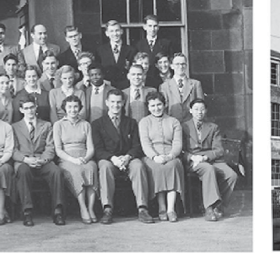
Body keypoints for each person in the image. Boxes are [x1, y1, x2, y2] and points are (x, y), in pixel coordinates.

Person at [92, 89, 153, 224]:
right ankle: (107, 208)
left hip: (128, 158)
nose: (116, 105)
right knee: (104, 167)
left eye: (119, 102)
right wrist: (113, 158)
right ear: (107, 103)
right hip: (110, 159)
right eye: (112, 102)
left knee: (138, 166)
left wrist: (127, 157)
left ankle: (142, 208)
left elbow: (137, 146)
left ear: (124, 103)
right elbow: (98, 149)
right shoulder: (97, 124)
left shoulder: (131, 122)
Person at [12, 96, 66, 226]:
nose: (30, 111)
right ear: (21, 110)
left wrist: (42, 160)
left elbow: (50, 146)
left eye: (32, 107)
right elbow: (13, 150)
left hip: (42, 160)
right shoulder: (14, 127)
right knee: (23, 171)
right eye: (26, 108)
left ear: (36, 107)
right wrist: (26, 159)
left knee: (56, 172)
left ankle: (58, 211)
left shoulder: (46, 125)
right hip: (24, 160)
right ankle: (27, 212)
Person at [182, 99, 238, 221]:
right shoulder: (184, 126)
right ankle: (209, 208)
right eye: (196, 109)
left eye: (202, 109)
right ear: (190, 110)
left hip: (211, 159)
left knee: (231, 175)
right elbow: (180, 150)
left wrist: (205, 157)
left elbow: (219, 150)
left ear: (206, 111)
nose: (199, 112)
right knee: (208, 169)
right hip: (194, 161)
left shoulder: (213, 127)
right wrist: (192, 157)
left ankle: (219, 206)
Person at [139, 93, 184, 222]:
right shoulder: (144, 122)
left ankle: (171, 209)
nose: (156, 108)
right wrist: (154, 157)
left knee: (173, 166)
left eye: (159, 104)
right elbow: (145, 144)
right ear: (148, 107)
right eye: (152, 105)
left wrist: (170, 156)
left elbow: (177, 143)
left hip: (171, 155)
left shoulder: (173, 121)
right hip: (152, 156)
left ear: (164, 105)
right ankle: (161, 207)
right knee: (157, 168)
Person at [53, 95, 98, 224]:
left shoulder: (85, 124)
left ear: (80, 108)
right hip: (67, 159)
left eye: (76, 107)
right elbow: (58, 149)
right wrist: (73, 160)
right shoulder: (58, 125)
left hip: (84, 157)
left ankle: (91, 208)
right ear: (65, 109)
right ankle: (83, 207)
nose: (73, 110)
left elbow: (90, 148)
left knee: (91, 169)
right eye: (70, 107)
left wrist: (85, 158)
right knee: (76, 172)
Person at [160, 53, 205, 121]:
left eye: (183, 64)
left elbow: (201, 107)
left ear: (186, 65)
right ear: (171, 66)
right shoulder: (164, 86)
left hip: (191, 124)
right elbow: (164, 109)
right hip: (173, 124)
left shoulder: (196, 84)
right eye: (177, 64)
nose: (180, 67)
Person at [96, 20, 135, 90]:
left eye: (117, 30)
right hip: (107, 87)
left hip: (125, 86)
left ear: (121, 31)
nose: (115, 34)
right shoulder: (100, 50)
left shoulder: (131, 50)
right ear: (107, 33)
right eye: (111, 31)